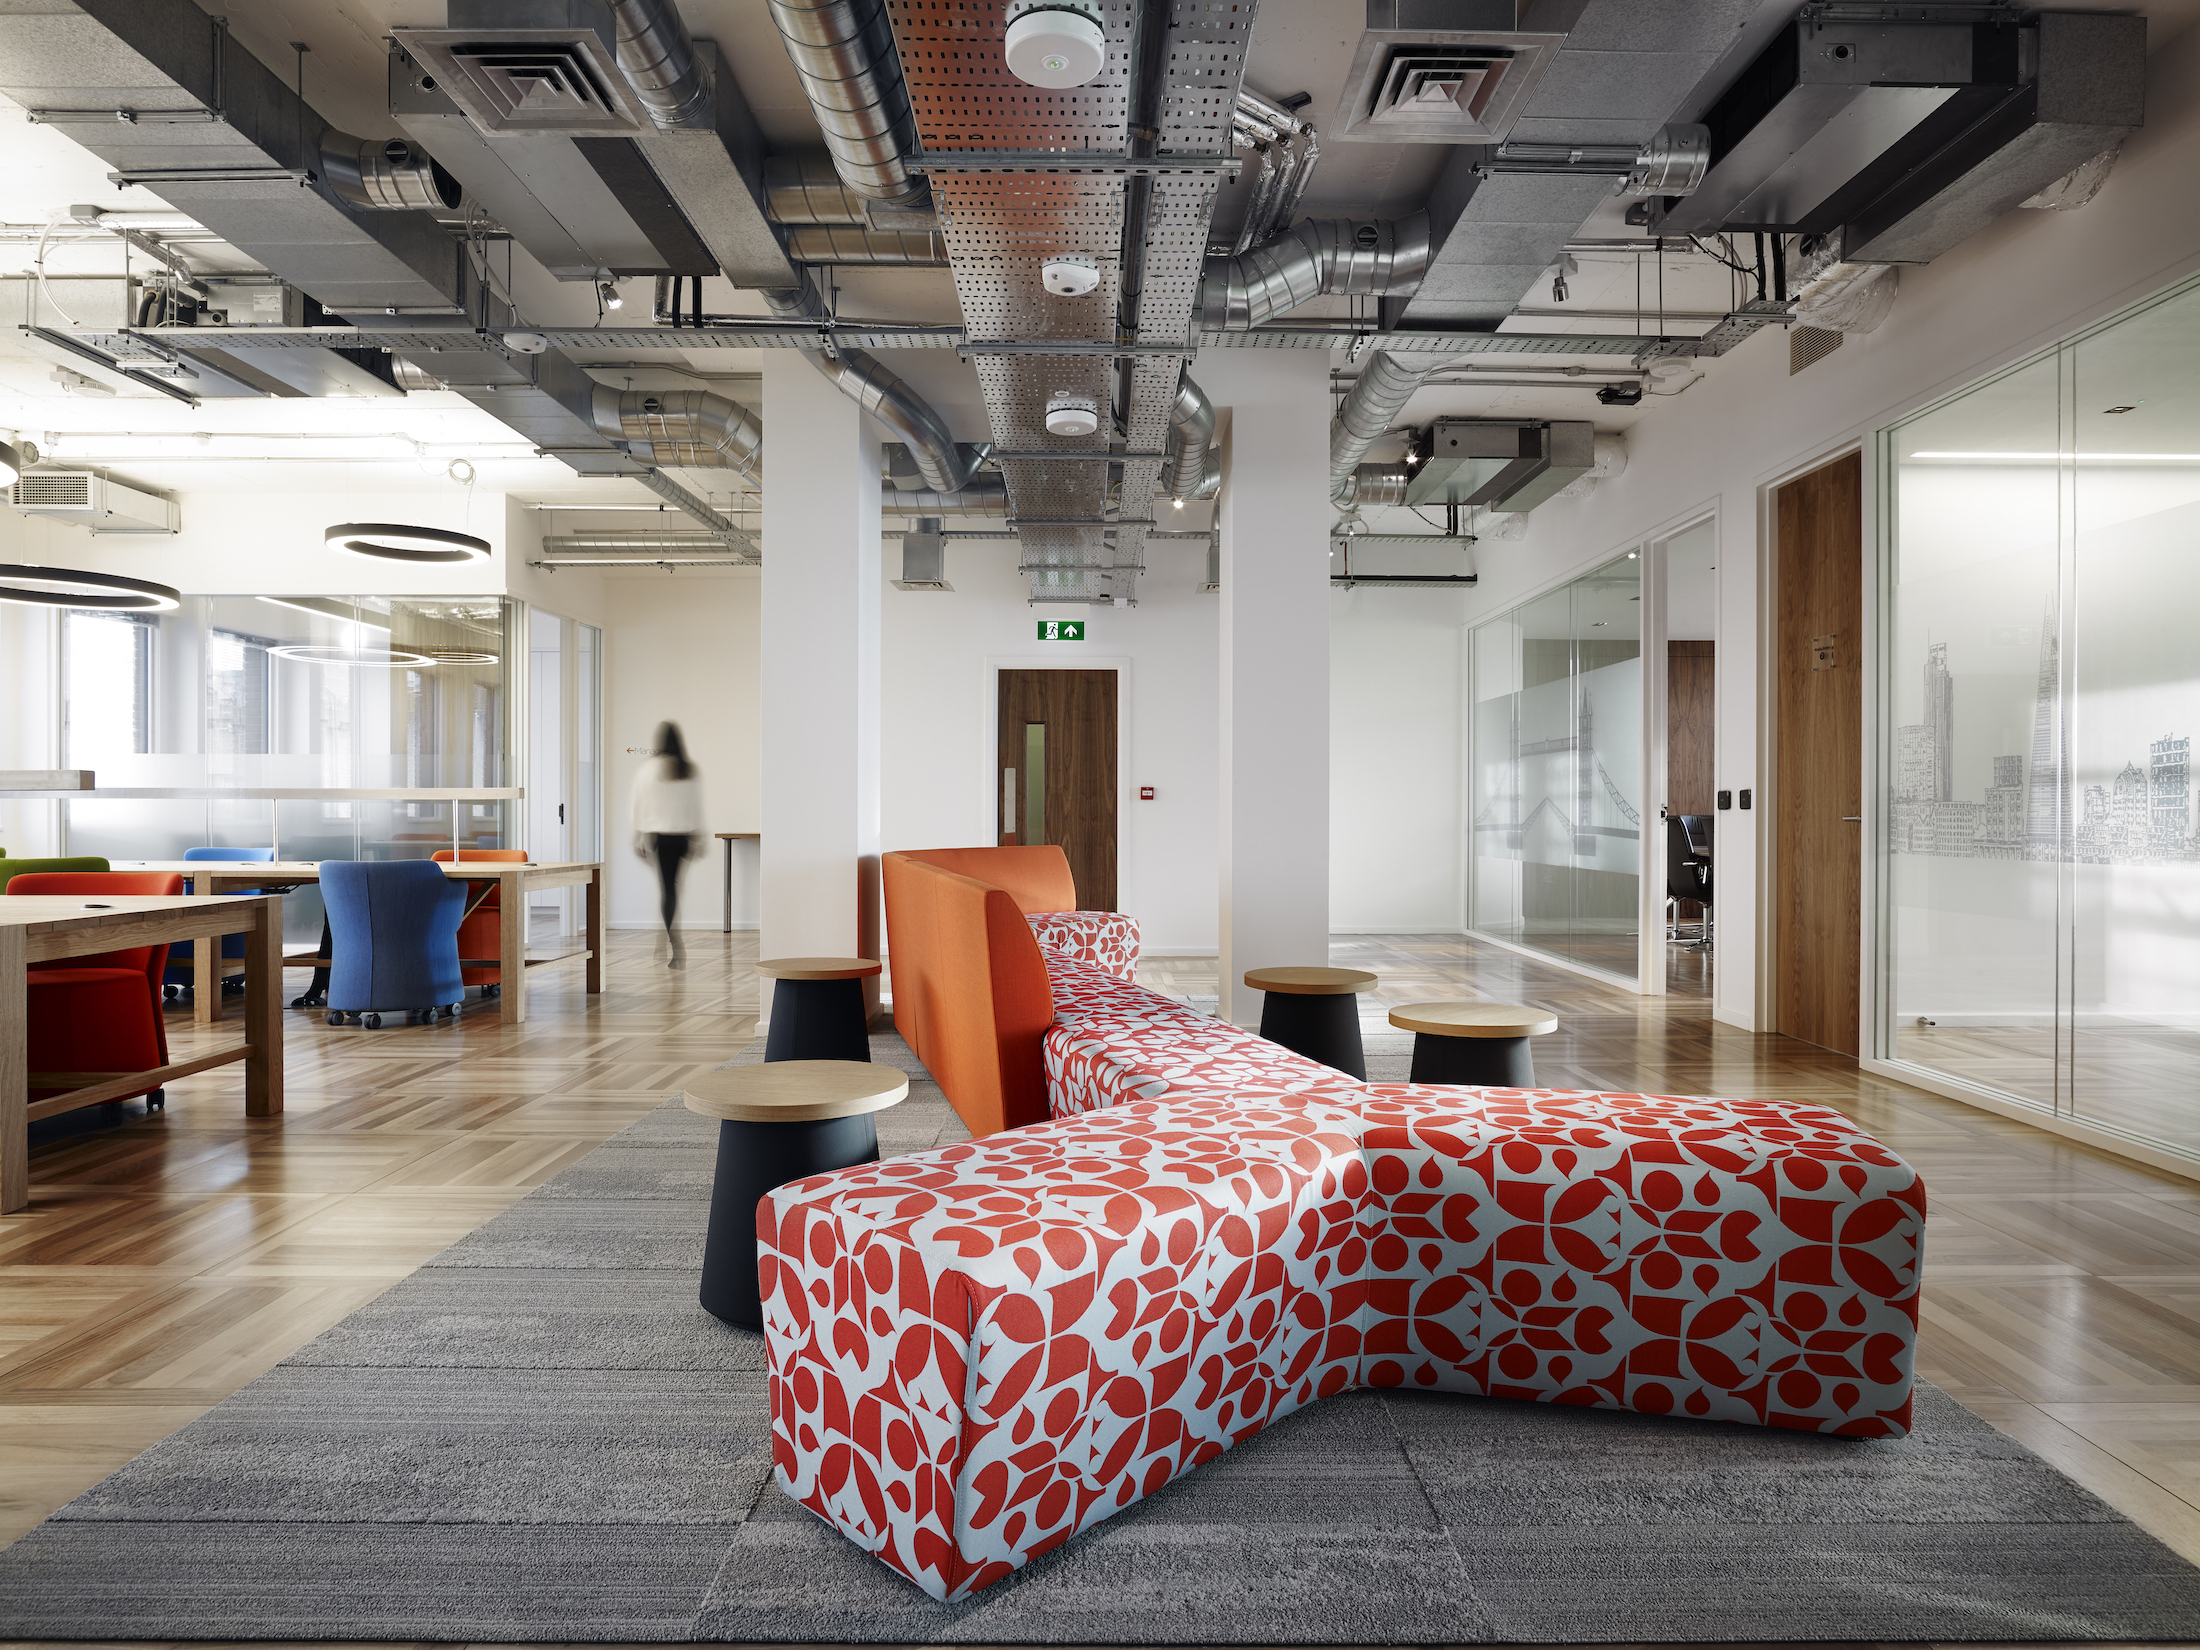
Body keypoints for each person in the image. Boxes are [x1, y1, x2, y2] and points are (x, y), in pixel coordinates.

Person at [631, 721, 705, 967]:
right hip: (683, 836)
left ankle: (672, 942)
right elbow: (695, 807)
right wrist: (699, 837)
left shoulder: (649, 768)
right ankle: (667, 940)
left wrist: (637, 837)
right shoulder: (688, 769)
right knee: (674, 889)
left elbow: (638, 804)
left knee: (667, 890)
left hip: (659, 836)